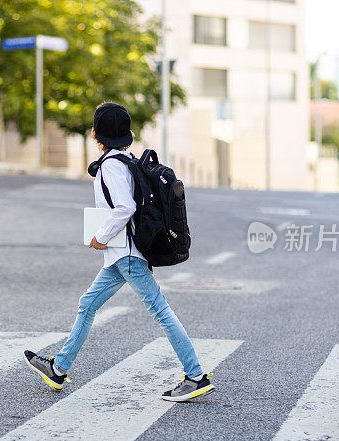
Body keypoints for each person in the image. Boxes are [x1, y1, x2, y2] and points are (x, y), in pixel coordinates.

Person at [23, 102, 213, 402]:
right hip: (120, 255)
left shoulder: (111, 165)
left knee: (160, 310)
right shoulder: (125, 160)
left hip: (125, 253)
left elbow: (125, 207)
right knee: (87, 304)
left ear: (96, 134)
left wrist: (100, 237)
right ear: (128, 135)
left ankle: (195, 376)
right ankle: (58, 368)